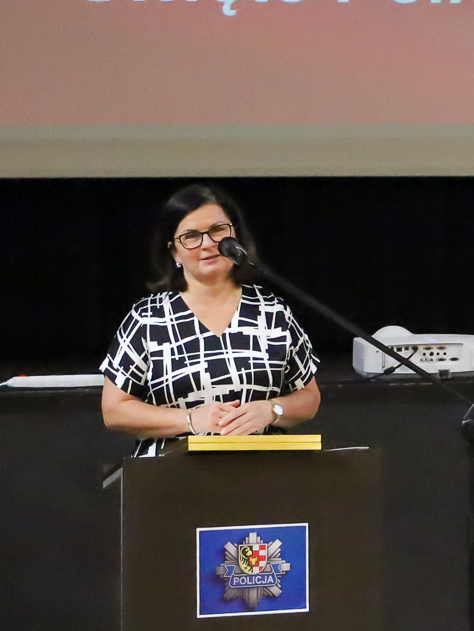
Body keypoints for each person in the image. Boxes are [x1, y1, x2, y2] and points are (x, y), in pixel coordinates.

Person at [101, 185, 320, 453]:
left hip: (263, 468)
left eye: (218, 230)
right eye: (191, 236)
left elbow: (309, 397)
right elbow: (114, 410)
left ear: (235, 236)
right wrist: (190, 420)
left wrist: (272, 410)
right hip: (169, 471)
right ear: (174, 252)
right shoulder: (148, 318)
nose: (208, 244)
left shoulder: (272, 311)